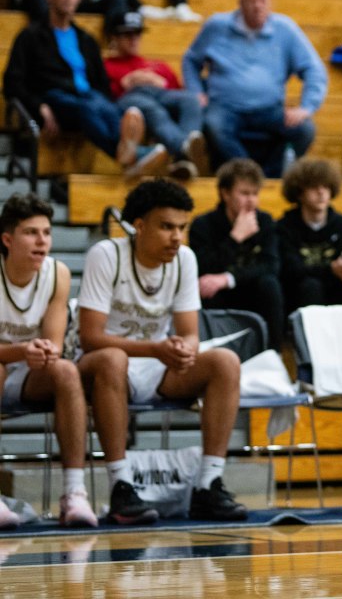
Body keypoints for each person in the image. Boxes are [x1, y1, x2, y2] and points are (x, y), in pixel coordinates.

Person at [77, 179, 248, 523]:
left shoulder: (185, 259)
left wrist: (183, 349)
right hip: (102, 367)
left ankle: (208, 484)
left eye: (182, 227)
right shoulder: (107, 254)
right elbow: (90, 337)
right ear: (138, 226)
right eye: (167, 227)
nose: (177, 237)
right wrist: (156, 348)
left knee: (224, 362)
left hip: (155, 364)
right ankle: (121, 486)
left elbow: (190, 333)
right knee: (113, 359)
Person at [3, 0, 167, 177]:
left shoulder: (86, 40)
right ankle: (130, 154)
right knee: (89, 106)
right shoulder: (30, 36)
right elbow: (13, 83)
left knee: (108, 105)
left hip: (89, 98)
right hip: (53, 98)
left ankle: (128, 152)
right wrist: (38, 107)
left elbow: (101, 84)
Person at [0, 194, 97, 529]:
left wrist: (43, 351)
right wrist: (22, 349)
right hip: (4, 366)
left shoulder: (57, 274)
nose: (42, 240)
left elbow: (54, 345)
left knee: (66, 370)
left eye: (46, 232)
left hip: (28, 373)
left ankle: (74, 493)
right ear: (7, 239)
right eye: (31, 232)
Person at [183, 0, 328, 177]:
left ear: (271, 4)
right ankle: (249, 174)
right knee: (213, 126)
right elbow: (191, 60)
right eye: (252, 0)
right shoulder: (217, 26)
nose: (258, 6)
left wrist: (306, 107)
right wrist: (196, 91)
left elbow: (313, 68)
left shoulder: (285, 29)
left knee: (305, 129)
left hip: (269, 109)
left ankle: (268, 176)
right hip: (225, 107)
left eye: (263, 1)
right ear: (240, 3)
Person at [188, 159, 286, 350]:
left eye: (255, 194)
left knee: (269, 284)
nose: (251, 200)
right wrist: (235, 238)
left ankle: (276, 354)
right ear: (225, 193)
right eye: (244, 193)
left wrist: (227, 278)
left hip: (248, 289)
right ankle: (211, 354)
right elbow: (202, 267)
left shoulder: (264, 221)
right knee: (206, 287)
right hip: (217, 296)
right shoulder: (203, 224)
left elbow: (271, 265)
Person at [104, 11, 205, 180]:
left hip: (161, 94)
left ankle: (184, 156)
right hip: (130, 98)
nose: (134, 39)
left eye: (137, 34)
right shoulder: (107, 65)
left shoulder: (157, 65)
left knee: (191, 100)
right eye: (127, 34)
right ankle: (184, 149)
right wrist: (124, 83)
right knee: (153, 109)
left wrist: (160, 82)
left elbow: (178, 92)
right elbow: (104, 95)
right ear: (115, 37)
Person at [277, 158, 342, 316]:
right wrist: (331, 269)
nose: (321, 192)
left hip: (336, 286)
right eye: (313, 187)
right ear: (299, 192)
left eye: (325, 186)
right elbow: (291, 270)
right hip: (300, 291)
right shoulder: (285, 226)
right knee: (310, 286)